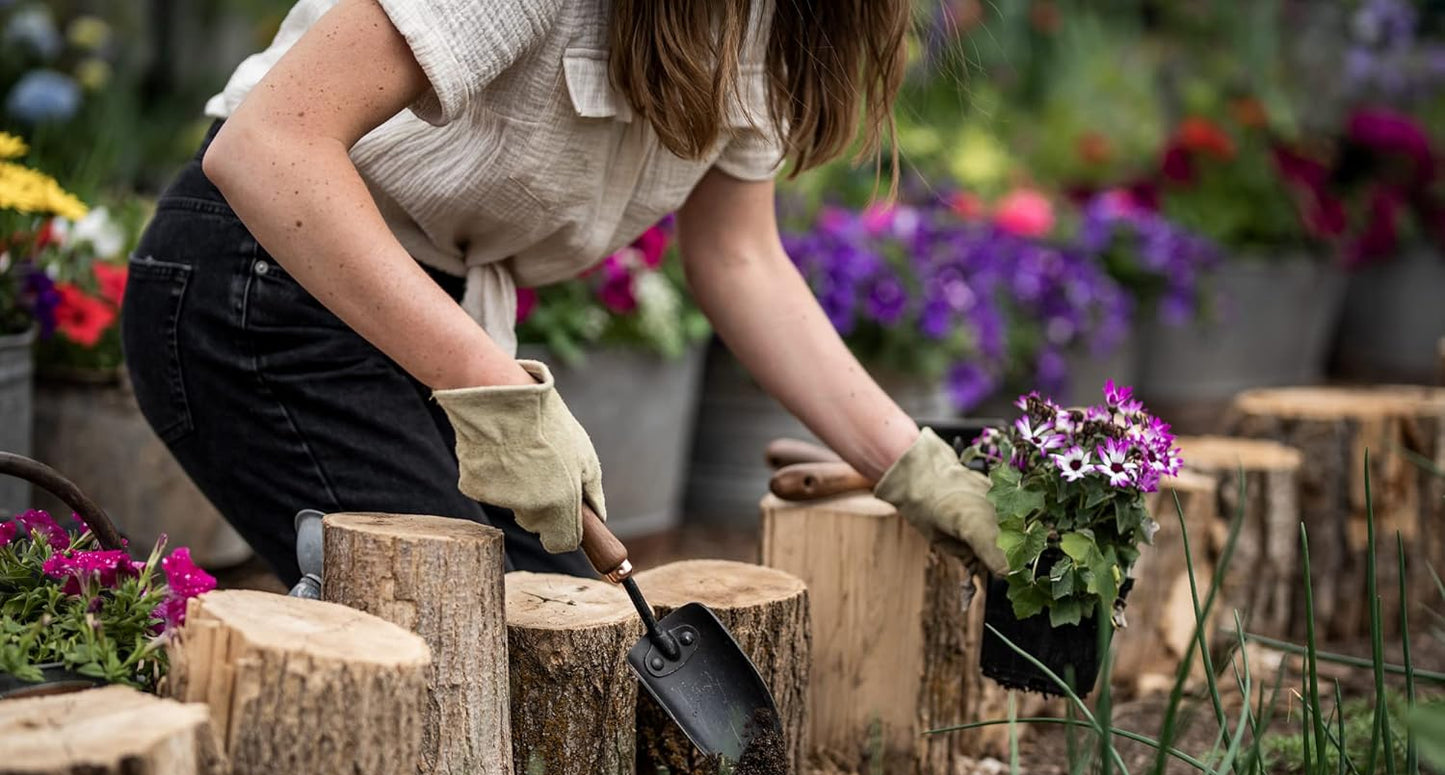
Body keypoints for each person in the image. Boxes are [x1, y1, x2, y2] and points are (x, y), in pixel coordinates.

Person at [120, 0, 1007, 586]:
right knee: (476, 651)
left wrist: (917, 469)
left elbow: (741, 259)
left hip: (426, 316)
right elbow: (267, 147)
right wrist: (496, 390)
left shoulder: (777, 17)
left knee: (573, 644)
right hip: (262, 294)